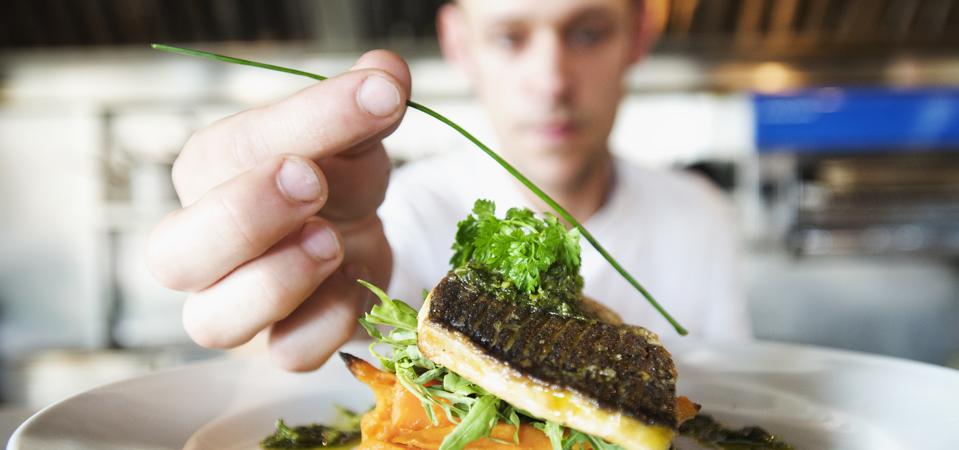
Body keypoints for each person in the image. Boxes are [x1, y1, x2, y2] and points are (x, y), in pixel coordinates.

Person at [146, 0, 751, 372]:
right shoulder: (397, 216)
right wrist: (285, 308)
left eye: (588, 33)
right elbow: (334, 354)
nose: (551, 82)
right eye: (510, 38)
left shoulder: (703, 217)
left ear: (639, 35)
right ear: (458, 42)